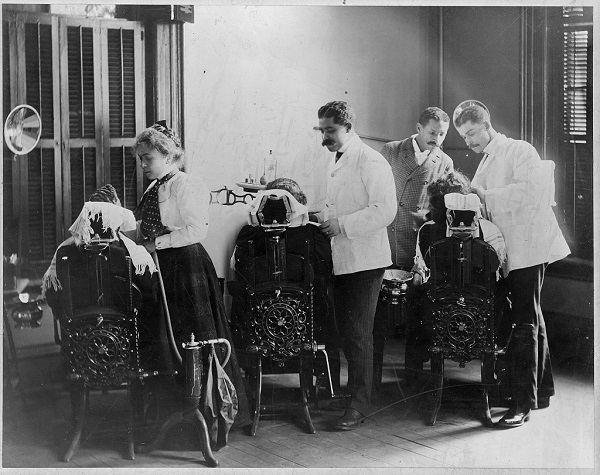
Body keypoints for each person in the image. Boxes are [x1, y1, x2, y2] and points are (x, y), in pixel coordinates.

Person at [130, 121, 250, 439]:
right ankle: (175, 412)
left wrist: (160, 243)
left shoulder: (187, 184)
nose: (143, 164)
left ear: (169, 156)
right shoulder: (154, 188)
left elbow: (197, 230)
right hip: (163, 269)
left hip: (187, 267)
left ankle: (211, 414)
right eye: (140, 158)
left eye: (148, 158)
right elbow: (146, 227)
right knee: (171, 339)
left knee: (198, 337)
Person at [454, 102, 570, 428]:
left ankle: (522, 406)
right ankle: (540, 393)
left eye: (472, 133)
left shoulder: (520, 150)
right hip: (512, 251)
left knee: (524, 323)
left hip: (530, 248)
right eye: (464, 137)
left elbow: (532, 193)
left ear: (486, 123)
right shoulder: (486, 161)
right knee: (531, 316)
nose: (469, 142)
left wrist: (485, 195)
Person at [314, 101, 397, 430]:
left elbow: (385, 210)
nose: (324, 137)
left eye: (330, 130)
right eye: (321, 130)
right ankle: (347, 395)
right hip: (341, 257)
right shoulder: (336, 159)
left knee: (359, 335)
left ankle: (360, 405)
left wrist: (342, 225)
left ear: (348, 126)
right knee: (344, 333)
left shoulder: (371, 160)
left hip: (365, 259)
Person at [230, 178, 340, 394]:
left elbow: (238, 272)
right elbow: (325, 272)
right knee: (323, 298)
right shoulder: (315, 234)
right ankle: (327, 379)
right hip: (304, 322)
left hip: (259, 322)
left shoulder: (248, 234)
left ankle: (244, 374)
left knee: (240, 296)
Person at [42, 184, 164, 371]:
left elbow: (53, 294)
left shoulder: (65, 250)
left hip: (78, 326)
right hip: (125, 328)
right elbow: (149, 293)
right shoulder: (133, 251)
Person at [374, 106, 454, 391]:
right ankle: (372, 381)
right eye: (433, 132)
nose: (437, 138)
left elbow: (441, 203)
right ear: (419, 128)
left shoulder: (444, 161)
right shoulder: (392, 151)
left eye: (442, 134)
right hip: (386, 234)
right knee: (378, 316)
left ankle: (413, 379)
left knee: (417, 313)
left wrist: (429, 222)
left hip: (415, 240)